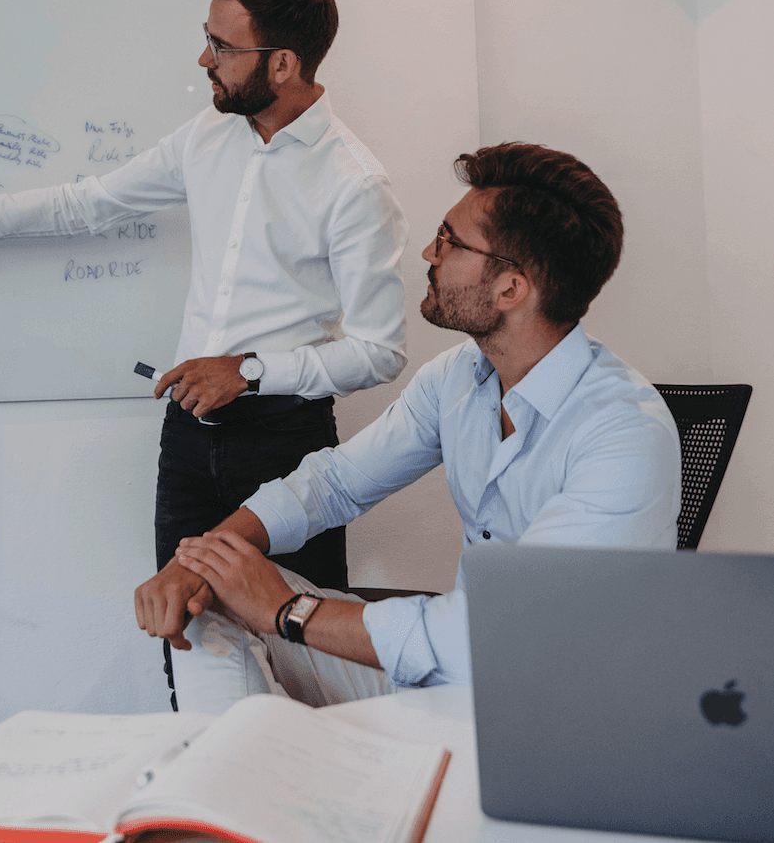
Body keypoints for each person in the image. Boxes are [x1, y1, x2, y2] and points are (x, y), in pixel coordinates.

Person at [0, 0, 408, 629]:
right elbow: (90, 204)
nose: (205, 58)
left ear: (283, 63)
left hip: (285, 447)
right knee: (183, 632)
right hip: (187, 437)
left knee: (304, 650)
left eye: (224, 47)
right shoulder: (206, 136)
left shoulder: (353, 183)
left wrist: (251, 371)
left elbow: (380, 351)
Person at [134, 141, 683, 715]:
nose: (429, 251)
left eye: (450, 241)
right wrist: (195, 562)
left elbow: (507, 637)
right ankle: (227, 789)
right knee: (208, 594)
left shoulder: (623, 434)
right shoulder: (459, 378)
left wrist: (289, 611)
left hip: (551, 716)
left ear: (511, 288)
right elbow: (333, 483)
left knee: (248, 598)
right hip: (447, 685)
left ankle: (255, 779)